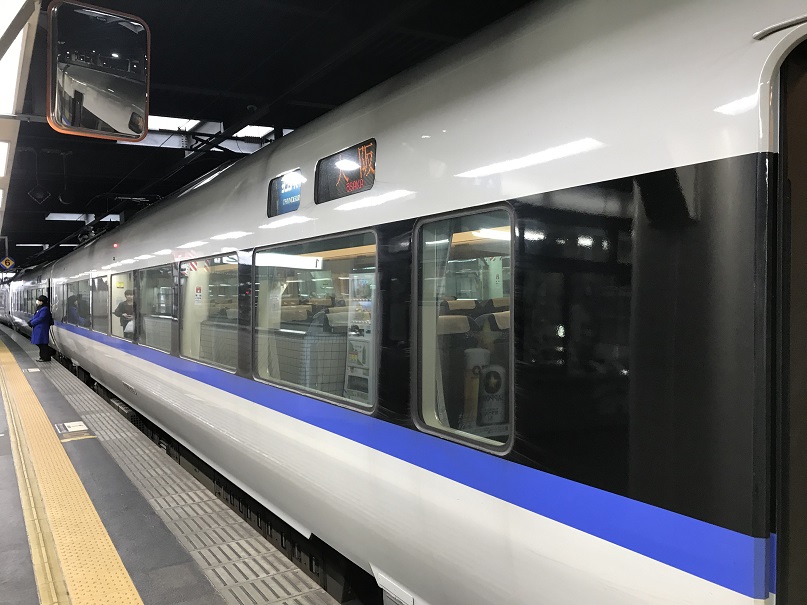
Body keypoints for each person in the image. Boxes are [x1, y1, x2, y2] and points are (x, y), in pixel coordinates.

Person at [28, 295, 54, 362]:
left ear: (42, 302)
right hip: (39, 328)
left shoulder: (45, 309)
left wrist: (32, 323)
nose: (37, 301)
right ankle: (43, 356)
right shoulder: (40, 308)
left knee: (42, 343)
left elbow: (41, 318)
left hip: (41, 328)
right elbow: (36, 317)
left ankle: (45, 357)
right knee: (40, 343)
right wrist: (31, 321)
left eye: (39, 300)